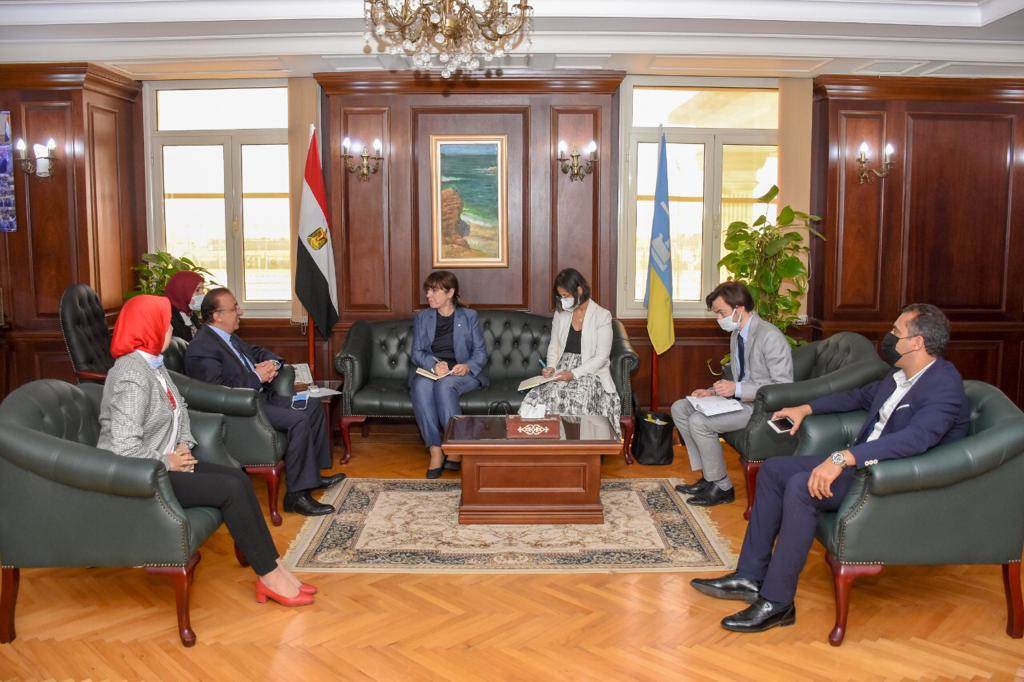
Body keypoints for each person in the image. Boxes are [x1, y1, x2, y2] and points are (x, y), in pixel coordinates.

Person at [691, 303, 970, 633]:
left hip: (891, 479)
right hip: (864, 466)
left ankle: (778, 602)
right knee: (774, 470)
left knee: (801, 486)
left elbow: (915, 440)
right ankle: (750, 576)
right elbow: (857, 397)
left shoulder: (943, 386)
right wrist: (804, 408)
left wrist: (842, 458)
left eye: (896, 332)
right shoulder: (900, 376)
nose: (889, 337)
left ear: (916, 342)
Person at [96, 295, 316, 607]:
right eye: (165, 323)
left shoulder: (152, 364)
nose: (170, 329)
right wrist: (168, 460)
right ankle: (270, 577)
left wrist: (183, 444)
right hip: (141, 473)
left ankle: (274, 567)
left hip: (169, 462)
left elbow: (181, 409)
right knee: (230, 489)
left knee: (238, 480)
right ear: (148, 328)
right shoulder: (131, 374)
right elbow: (123, 447)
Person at [184, 287, 344, 516]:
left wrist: (273, 364)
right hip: (243, 411)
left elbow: (256, 351)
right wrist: (257, 377)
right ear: (217, 315)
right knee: (298, 420)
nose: (240, 311)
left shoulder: (227, 337)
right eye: (234, 308)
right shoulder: (202, 347)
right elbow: (217, 392)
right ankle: (296, 497)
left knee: (313, 406)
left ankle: (312, 477)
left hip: (262, 400)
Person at [670, 282, 793, 506]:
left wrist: (736, 389)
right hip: (739, 400)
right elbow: (738, 377)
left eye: (721, 313)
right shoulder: (737, 334)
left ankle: (722, 486)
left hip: (762, 407)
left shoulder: (769, 336)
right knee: (680, 408)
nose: (719, 319)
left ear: (739, 308)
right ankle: (709, 478)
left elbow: (783, 385)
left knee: (699, 421)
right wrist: (711, 392)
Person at [519, 268, 622, 437]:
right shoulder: (561, 314)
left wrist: (573, 374)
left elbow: (601, 357)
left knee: (579, 397)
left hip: (591, 370)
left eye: (566, 296)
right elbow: (554, 345)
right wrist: (551, 367)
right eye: (560, 296)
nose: (563, 300)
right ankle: (550, 445)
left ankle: (581, 448)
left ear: (579, 290)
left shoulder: (602, 316)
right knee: (542, 396)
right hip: (562, 367)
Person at [409, 271, 489, 478]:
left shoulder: (469, 316)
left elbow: (480, 353)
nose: (428, 295)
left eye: (434, 291)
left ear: (450, 293)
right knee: (420, 385)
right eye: (428, 290)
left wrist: (467, 366)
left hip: (461, 372)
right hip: (433, 370)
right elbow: (417, 352)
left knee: (444, 385)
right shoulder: (422, 317)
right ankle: (435, 449)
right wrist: (434, 365)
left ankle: (455, 446)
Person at [164, 270, 205, 341]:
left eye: (203, 289)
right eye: (197, 290)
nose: (202, 294)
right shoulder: (169, 318)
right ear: (182, 291)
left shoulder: (191, 314)